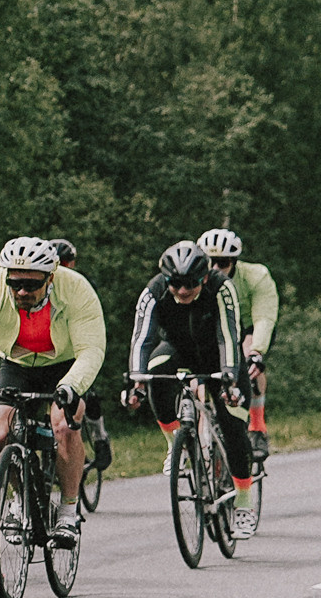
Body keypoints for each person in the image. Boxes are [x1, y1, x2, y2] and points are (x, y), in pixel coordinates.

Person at [0, 237, 104, 546]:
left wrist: (72, 387)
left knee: (65, 425)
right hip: (16, 364)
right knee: (0, 429)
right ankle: (19, 499)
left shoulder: (77, 289)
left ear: (51, 277)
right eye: (15, 283)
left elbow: (91, 349)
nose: (21, 292)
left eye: (31, 285)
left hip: (65, 365)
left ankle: (69, 511)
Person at [123, 241, 254, 536]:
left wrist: (230, 378)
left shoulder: (221, 287)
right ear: (166, 279)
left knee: (233, 425)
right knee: (155, 372)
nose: (182, 291)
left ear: (204, 278)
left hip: (219, 354)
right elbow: (142, 338)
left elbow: (228, 334)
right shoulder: (154, 290)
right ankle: (175, 444)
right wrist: (136, 381)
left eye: (190, 284)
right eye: (176, 284)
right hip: (179, 350)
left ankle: (244, 503)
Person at [199, 229, 278, 462]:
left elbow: (264, 317)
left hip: (247, 328)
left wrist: (257, 352)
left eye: (221, 263)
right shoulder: (197, 279)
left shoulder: (256, 276)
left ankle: (257, 427)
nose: (214, 269)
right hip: (215, 330)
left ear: (233, 261)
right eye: (208, 262)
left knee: (247, 357)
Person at [48, 239, 114, 472]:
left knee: (89, 394)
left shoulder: (83, 285)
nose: (61, 268)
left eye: (65, 263)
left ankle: (99, 436)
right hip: (51, 349)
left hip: (78, 344)